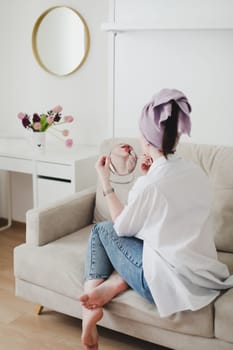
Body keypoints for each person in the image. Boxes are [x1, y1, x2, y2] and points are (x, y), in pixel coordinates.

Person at [79, 88, 233, 350]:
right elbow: (162, 220)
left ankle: (86, 313)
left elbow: (120, 227)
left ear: (146, 139)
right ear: (176, 136)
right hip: (200, 273)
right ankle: (113, 286)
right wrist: (148, 177)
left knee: (100, 231)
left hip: (164, 283)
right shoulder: (195, 172)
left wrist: (106, 180)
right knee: (134, 240)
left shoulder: (151, 185)